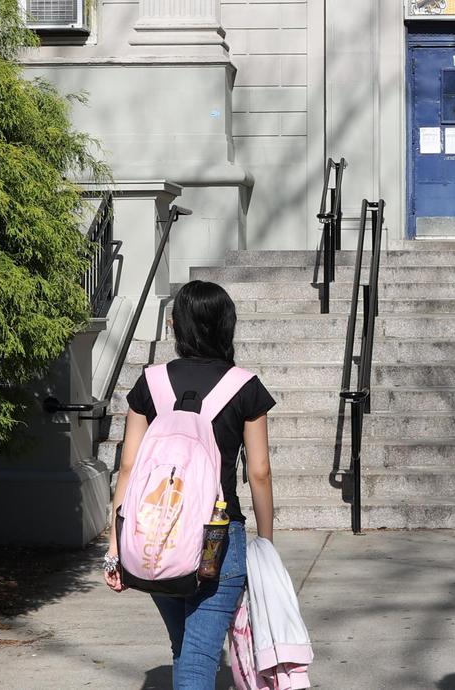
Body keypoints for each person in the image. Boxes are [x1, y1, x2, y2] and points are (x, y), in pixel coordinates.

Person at [103, 280, 277, 690]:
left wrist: (115, 547)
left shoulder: (151, 382)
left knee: (185, 649)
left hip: (154, 539)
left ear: (176, 324)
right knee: (198, 658)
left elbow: (127, 467)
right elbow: (260, 472)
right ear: (225, 325)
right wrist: (265, 544)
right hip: (218, 541)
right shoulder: (244, 386)